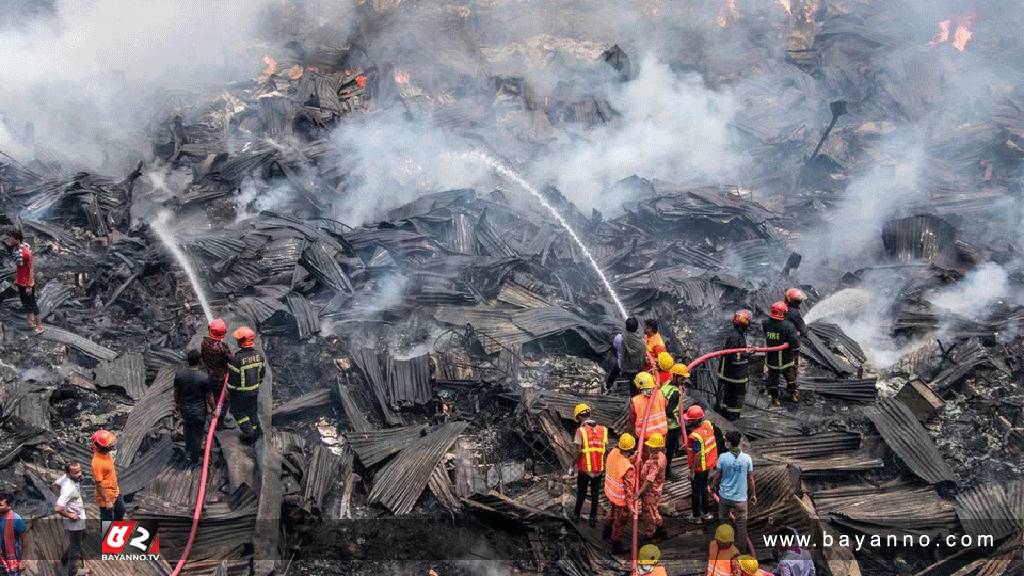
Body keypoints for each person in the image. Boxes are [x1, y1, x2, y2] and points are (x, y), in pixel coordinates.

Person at [711, 431, 756, 555]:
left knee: (724, 523)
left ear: (729, 443)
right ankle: (741, 552)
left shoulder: (723, 457)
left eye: (726, 441)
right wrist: (753, 495)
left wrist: (712, 486)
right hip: (741, 500)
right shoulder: (747, 459)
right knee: (742, 528)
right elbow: (750, 479)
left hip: (725, 497)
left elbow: (718, 475)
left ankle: (725, 548)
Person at [227, 326, 266, 444]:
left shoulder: (237, 359)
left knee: (238, 412)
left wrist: (229, 391)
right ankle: (257, 431)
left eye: (238, 339)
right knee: (252, 410)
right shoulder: (260, 356)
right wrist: (255, 385)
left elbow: (233, 381)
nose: (236, 341)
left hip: (240, 393)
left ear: (242, 341)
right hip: (254, 391)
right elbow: (262, 374)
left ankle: (249, 434)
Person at [175, 349, 214, 466]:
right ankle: (194, 458)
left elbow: (176, 392)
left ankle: (188, 451)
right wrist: (214, 409)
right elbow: (209, 397)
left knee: (188, 430)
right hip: (199, 411)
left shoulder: (180, 375)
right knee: (198, 433)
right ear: (199, 360)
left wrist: (176, 404)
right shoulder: (204, 377)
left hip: (185, 409)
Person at [571, 403, 607, 526]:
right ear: (589, 414)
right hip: (599, 469)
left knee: (581, 493)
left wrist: (571, 466)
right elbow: (604, 449)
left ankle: (576, 515)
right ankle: (592, 519)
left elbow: (577, 451)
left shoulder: (580, 431)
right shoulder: (603, 430)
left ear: (579, 417)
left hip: (585, 469)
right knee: (595, 495)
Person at [602, 433, 637, 553]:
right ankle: (616, 545)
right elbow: (628, 490)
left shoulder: (613, 452)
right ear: (631, 448)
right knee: (620, 522)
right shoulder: (628, 468)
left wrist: (631, 459)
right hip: (621, 499)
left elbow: (618, 463)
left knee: (611, 512)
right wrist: (631, 506)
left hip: (611, 492)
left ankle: (605, 533)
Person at [685, 404, 719, 522]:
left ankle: (696, 516)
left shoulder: (695, 436)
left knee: (696, 493)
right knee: (704, 489)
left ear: (695, 421)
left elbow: (698, 454)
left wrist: (692, 471)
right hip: (708, 466)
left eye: (689, 420)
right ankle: (706, 513)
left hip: (699, 468)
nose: (687, 422)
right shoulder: (708, 425)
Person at [763, 302, 801, 406]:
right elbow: (795, 342)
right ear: (783, 313)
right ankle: (793, 395)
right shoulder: (789, 326)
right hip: (786, 359)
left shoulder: (765, 323)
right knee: (790, 378)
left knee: (773, 380)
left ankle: (775, 400)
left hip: (772, 359)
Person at [5, 230, 42, 333]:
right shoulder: (15, 249)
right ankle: (30, 322)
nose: (10, 241)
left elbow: (31, 269)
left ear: (17, 240)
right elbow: (20, 268)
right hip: (21, 281)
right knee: (25, 302)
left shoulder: (26, 253)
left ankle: (39, 326)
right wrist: (17, 279)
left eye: (12, 239)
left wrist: (29, 285)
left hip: (27, 283)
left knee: (32, 303)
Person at [53, 462, 86, 576]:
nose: (79, 474)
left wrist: (64, 499)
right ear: (68, 473)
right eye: (76, 472)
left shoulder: (65, 478)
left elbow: (55, 485)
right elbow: (58, 508)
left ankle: (64, 558)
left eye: (80, 470)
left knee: (79, 539)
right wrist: (69, 514)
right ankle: (73, 572)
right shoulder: (69, 488)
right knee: (76, 547)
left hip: (78, 518)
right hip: (75, 522)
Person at [719, 310, 751, 420]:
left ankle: (725, 415)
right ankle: (732, 418)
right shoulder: (735, 337)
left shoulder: (738, 335)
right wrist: (747, 353)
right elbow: (733, 356)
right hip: (733, 376)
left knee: (728, 398)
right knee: (734, 398)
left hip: (733, 375)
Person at [201, 318, 233, 427]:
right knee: (225, 400)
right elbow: (231, 359)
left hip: (209, 373)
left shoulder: (204, 342)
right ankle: (219, 422)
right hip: (220, 377)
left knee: (213, 397)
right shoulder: (222, 348)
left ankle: (214, 413)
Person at [662, 362, 689, 478]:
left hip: (663, 424)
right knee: (669, 451)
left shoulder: (666, 385)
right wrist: (677, 418)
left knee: (668, 448)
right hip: (672, 426)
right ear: (676, 376)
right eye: (682, 379)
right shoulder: (675, 393)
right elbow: (668, 412)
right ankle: (667, 472)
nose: (684, 381)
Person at [638, 432, 667, 539]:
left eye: (653, 447)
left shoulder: (656, 462)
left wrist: (639, 493)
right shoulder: (659, 455)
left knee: (648, 514)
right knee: (653, 510)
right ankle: (661, 530)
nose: (650, 448)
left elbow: (649, 480)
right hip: (655, 490)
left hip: (651, 491)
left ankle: (649, 535)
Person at [606, 317, 647, 393]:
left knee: (615, 369)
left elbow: (615, 345)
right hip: (636, 368)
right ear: (636, 328)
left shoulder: (620, 338)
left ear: (626, 326)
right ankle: (634, 398)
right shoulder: (642, 340)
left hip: (622, 365)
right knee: (634, 385)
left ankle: (608, 386)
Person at [90, 430, 124, 521]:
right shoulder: (97, 463)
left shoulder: (106, 453)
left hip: (115, 491)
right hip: (106, 496)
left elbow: (110, 440)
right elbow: (99, 484)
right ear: (102, 447)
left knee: (121, 511)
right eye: (110, 445)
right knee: (107, 520)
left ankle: (117, 530)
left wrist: (115, 435)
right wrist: (107, 501)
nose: (112, 446)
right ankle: (108, 534)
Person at [629, 372, 668, 442]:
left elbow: (632, 418)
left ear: (638, 386)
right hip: (661, 433)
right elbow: (666, 407)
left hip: (645, 436)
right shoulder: (660, 394)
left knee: (646, 453)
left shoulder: (635, 401)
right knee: (660, 452)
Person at [0, 493, 27, 576]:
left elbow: (25, 542)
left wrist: (23, 561)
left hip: (12, 558)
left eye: (0, 505)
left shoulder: (16, 520)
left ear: (9, 506)